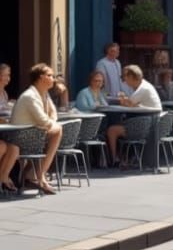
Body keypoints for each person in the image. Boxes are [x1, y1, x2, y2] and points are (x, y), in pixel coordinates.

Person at [10, 63, 63, 194]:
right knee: (57, 131)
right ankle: (39, 176)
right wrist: (52, 125)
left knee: (56, 130)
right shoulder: (30, 96)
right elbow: (43, 120)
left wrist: (52, 123)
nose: (53, 79)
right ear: (41, 77)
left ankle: (34, 176)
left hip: (34, 135)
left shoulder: (44, 94)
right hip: (21, 137)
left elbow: (53, 114)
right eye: (50, 75)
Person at [76, 69, 125, 167]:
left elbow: (105, 106)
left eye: (101, 81)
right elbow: (82, 108)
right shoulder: (84, 93)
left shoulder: (101, 94)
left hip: (101, 123)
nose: (98, 83)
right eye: (96, 81)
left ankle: (117, 157)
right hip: (88, 124)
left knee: (113, 122)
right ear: (91, 81)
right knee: (112, 123)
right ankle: (114, 158)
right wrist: (95, 106)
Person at [0, 63, 19, 191]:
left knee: (14, 148)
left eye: (9, 75)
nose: (8, 78)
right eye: (5, 75)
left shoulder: (4, 93)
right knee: (2, 146)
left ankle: (3, 177)